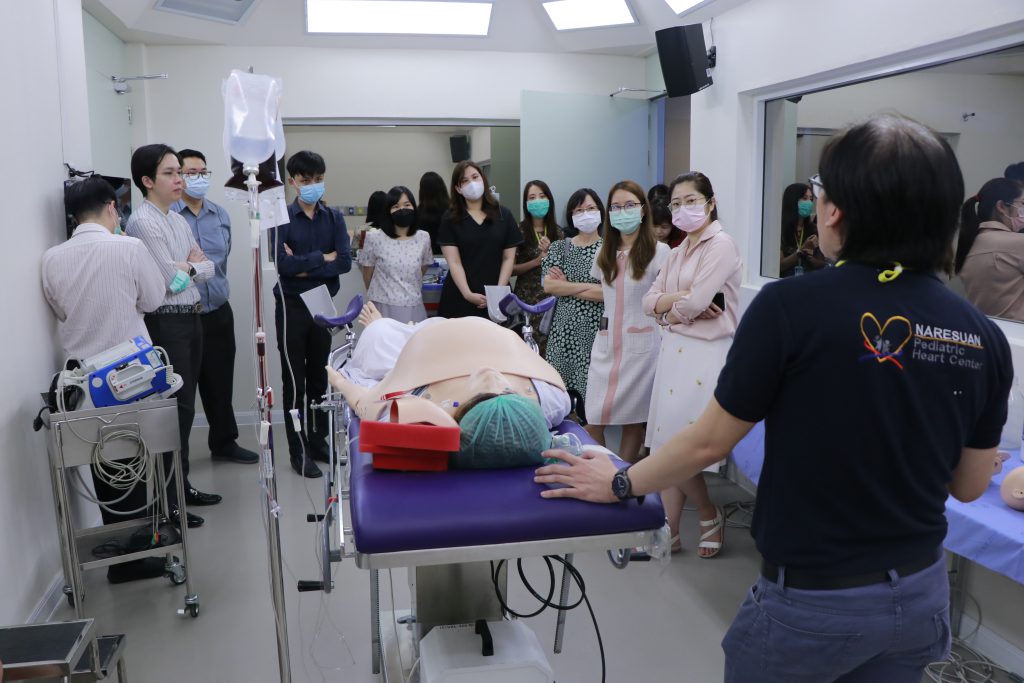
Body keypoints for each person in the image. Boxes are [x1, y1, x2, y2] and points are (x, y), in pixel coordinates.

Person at [535, 114, 1011, 683]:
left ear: (834, 210)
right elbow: (969, 485)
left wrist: (619, 482)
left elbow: (708, 441)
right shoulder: (980, 336)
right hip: (919, 597)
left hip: (817, 601)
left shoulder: (792, 308)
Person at [42, 176, 168, 583]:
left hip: (81, 383)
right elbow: (153, 299)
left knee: (104, 465)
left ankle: (124, 554)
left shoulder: (52, 258)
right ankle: (131, 559)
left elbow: (61, 310)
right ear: (112, 207)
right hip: (131, 376)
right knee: (135, 464)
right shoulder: (128, 247)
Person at [642, 172, 741, 557]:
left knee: (683, 446)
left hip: (704, 355)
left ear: (710, 203)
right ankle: (670, 530)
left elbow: (698, 302)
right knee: (666, 442)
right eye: (676, 203)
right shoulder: (679, 250)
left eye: (691, 201)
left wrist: (668, 311)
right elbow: (649, 300)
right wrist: (676, 302)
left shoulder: (722, 245)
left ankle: (707, 513)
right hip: (674, 350)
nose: (683, 209)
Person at [126, 143, 219, 529]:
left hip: (191, 318)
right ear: (147, 181)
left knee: (186, 408)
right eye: (170, 173)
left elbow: (208, 268)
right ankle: (170, 501)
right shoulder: (143, 222)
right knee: (173, 411)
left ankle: (182, 486)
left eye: (179, 172)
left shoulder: (177, 220)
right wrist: (188, 269)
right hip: (166, 322)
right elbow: (170, 280)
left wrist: (188, 269)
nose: (179, 179)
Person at [325, 301, 570, 432]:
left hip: (409, 354)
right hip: (471, 333)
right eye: (507, 391)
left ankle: (390, 326)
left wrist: (340, 381)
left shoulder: (420, 408)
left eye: (484, 395)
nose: (494, 377)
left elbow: (364, 402)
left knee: (379, 332)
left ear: (462, 411)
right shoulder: (548, 401)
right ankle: (404, 328)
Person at [170, 149, 258, 466]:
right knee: (183, 389)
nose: (199, 178)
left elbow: (222, 260)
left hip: (219, 309)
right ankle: (178, 457)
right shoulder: (169, 217)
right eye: (191, 173)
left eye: (203, 172)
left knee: (220, 382)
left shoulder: (220, 215)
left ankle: (224, 441)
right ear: (178, 177)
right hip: (183, 314)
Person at [273, 150, 352, 478]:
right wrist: (322, 257)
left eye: (318, 179)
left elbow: (344, 262)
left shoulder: (333, 218)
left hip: (322, 304)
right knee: (295, 382)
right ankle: (298, 449)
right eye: (306, 180)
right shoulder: (281, 217)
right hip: (291, 305)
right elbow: (282, 265)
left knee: (320, 377)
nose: (313, 185)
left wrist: (303, 264)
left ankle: (318, 440)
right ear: (293, 182)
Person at [585, 181, 669, 462]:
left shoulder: (660, 252)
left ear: (643, 210)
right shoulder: (604, 252)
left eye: (630, 205)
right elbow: (605, 293)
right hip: (606, 345)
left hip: (642, 346)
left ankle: (622, 476)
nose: (623, 212)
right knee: (594, 418)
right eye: (616, 207)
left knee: (632, 420)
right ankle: (605, 468)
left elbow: (663, 298)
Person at [542, 188, 605, 422]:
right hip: (562, 334)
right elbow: (549, 286)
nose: (585, 214)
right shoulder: (560, 247)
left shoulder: (609, 249)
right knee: (559, 397)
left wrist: (567, 285)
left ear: (600, 212)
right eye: (579, 210)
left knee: (591, 400)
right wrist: (589, 287)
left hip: (595, 333)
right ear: (571, 215)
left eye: (591, 208)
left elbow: (608, 293)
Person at [437, 161, 521, 318]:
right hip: (460, 296)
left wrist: (498, 292)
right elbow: (454, 262)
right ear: (458, 189)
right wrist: (467, 294)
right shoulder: (450, 218)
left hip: (498, 296)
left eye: (475, 177)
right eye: (465, 180)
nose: (472, 183)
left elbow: (508, 258)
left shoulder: (503, 214)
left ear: (483, 179)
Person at [358, 185, 433, 322]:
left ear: (414, 207)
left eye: (407, 204)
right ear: (388, 211)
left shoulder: (423, 237)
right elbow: (367, 274)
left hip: (413, 305)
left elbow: (422, 268)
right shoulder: (373, 238)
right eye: (396, 206)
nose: (402, 209)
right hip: (382, 307)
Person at [955, 177, 1024, 320]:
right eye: (1022, 204)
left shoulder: (969, 246)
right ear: (1001, 206)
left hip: (983, 329)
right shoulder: (1018, 244)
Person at [512, 180, 562, 356]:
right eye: (532, 198)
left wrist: (551, 254)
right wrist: (536, 261)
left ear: (549, 200)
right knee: (526, 351)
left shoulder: (558, 232)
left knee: (549, 351)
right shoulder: (519, 230)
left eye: (542, 196)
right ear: (526, 203)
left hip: (552, 300)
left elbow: (564, 268)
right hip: (526, 301)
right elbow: (511, 269)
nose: (537, 201)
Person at [779, 182, 825, 277]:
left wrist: (809, 257)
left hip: (808, 280)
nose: (809, 203)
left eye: (811, 199)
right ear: (792, 201)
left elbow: (821, 264)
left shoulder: (813, 228)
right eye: (804, 198)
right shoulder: (779, 229)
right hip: (785, 281)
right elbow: (780, 266)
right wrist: (803, 249)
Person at [417, 171, 449, 255]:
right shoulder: (452, 211)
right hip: (450, 256)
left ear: (422, 191)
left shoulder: (416, 214)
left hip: (425, 258)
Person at [649, 184, 684, 248]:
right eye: (654, 226)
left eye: (664, 227)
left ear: (673, 225)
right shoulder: (642, 239)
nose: (658, 231)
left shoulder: (680, 241)